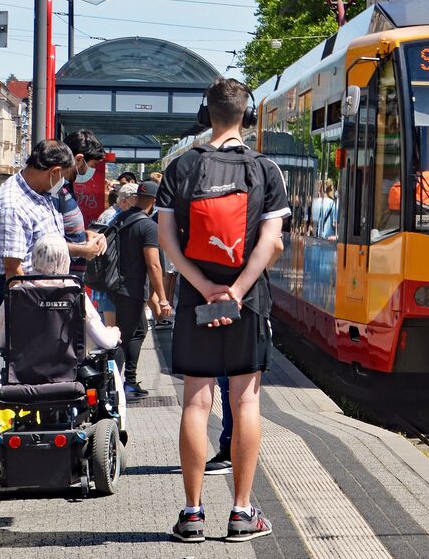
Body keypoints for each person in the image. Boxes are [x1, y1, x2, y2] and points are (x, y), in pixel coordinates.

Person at [157, 78, 288, 543]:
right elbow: (270, 243)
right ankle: (241, 512)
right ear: (247, 116)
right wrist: (236, 290)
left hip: (197, 301)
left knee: (197, 400)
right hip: (247, 302)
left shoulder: (181, 167)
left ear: (205, 114)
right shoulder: (264, 169)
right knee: (245, 401)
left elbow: (167, 241)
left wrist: (205, 288)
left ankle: (192, 514)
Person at [0, 234, 121, 352]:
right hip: (68, 367)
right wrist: (114, 333)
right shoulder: (74, 292)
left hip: (25, 367)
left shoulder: (17, 293)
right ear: (65, 259)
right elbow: (106, 342)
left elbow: (2, 343)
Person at [0, 140, 76, 303]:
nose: (62, 182)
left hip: (45, 291)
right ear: (55, 172)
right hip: (31, 298)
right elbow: (13, 271)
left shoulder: (39, 190)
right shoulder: (12, 205)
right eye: (63, 176)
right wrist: (35, 307)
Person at [112, 180, 171, 400]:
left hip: (115, 285)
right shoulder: (148, 226)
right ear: (154, 201)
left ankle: (122, 382)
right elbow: (153, 264)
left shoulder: (120, 218)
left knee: (130, 332)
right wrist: (163, 298)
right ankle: (125, 383)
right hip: (133, 288)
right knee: (133, 333)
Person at [57, 130, 109, 281]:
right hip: (60, 278)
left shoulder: (66, 187)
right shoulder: (54, 190)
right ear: (79, 159)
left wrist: (85, 235)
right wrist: (82, 250)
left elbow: (63, 230)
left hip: (70, 277)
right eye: (92, 165)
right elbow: (46, 242)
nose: (90, 170)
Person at [91, 183, 138, 327]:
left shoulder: (113, 213)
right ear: (124, 201)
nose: (138, 204)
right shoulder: (114, 217)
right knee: (112, 327)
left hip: (107, 277)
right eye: (136, 200)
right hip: (109, 278)